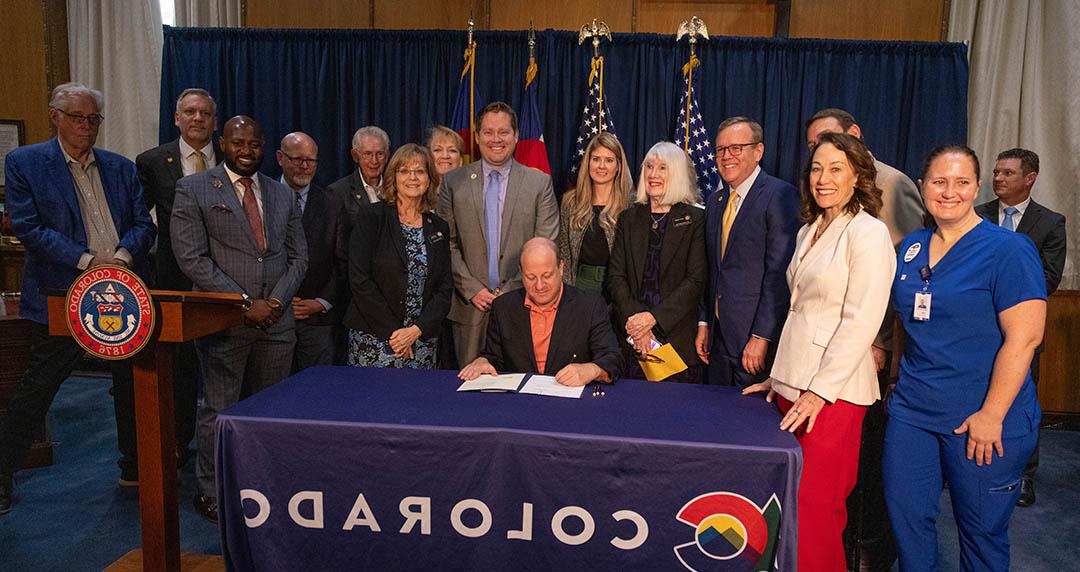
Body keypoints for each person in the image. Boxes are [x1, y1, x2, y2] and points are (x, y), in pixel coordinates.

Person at [883, 145, 1046, 572]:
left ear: (976, 187)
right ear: (922, 187)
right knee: (907, 523)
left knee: (980, 532)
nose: (949, 191)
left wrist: (991, 414)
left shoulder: (1009, 250)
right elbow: (904, 319)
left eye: (961, 182)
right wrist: (897, 375)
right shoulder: (912, 247)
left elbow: (1024, 339)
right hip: (914, 412)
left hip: (982, 418)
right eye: (939, 181)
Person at [742, 132, 895, 571]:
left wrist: (817, 391)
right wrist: (781, 375)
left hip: (834, 396)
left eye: (835, 169)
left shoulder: (868, 233)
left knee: (816, 511)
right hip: (794, 385)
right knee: (792, 508)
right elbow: (803, 312)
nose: (822, 178)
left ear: (857, 176)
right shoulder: (810, 228)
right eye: (816, 168)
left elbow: (859, 322)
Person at [0, 83, 155, 513]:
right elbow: (29, 228)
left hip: (123, 294)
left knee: (131, 383)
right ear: (55, 116)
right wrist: (88, 262)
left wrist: (121, 258)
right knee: (40, 385)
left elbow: (144, 224)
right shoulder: (24, 163)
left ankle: (134, 467)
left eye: (93, 119)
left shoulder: (121, 168)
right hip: (61, 294)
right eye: (77, 117)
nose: (86, 127)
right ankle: (1, 474)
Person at [171, 115, 308, 523]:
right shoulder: (193, 188)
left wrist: (276, 303)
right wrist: (246, 303)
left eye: (254, 144)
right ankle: (211, 492)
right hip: (224, 320)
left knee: (272, 411)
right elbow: (192, 259)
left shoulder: (281, 195)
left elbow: (300, 257)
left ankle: (266, 487)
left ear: (264, 147)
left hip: (277, 322)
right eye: (237, 143)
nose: (246, 151)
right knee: (219, 409)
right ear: (223, 143)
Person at [804, 107, 925, 569]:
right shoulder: (814, 220)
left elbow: (907, 274)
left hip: (862, 358)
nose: (823, 166)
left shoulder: (891, 186)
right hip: (816, 362)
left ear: (854, 139)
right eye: (815, 154)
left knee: (856, 475)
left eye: (833, 152)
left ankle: (866, 552)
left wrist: (882, 344)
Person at [135, 87, 222, 466]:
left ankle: (221, 443)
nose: (198, 119)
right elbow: (140, 220)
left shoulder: (232, 158)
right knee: (181, 368)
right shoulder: (153, 161)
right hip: (173, 279)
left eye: (204, 113)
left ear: (214, 121)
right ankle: (179, 442)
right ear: (176, 118)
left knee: (222, 362)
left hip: (223, 279)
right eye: (190, 112)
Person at [976, 147, 1066, 507]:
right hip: (977, 329)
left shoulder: (1050, 222)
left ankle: (1024, 476)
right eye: (996, 172)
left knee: (1021, 405)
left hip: (1021, 332)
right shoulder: (977, 215)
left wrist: (1001, 293)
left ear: (1030, 178)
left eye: (1008, 173)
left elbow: (1049, 278)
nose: (998, 178)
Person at [437, 101, 559, 365]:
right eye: (489, 132)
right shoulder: (453, 182)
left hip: (523, 305)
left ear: (516, 136)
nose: (496, 139)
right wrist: (472, 289)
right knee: (468, 393)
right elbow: (445, 243)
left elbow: (546, 244)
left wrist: (512, 290)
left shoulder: (539, 183)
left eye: (503, 132)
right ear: (477, 136)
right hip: (469, 309)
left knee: (520, 396)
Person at [696, 117, 801, 387]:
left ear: (758, 151)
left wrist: (761, 336)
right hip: (718, 342)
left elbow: (779, 275)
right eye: (720, 149)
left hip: (753, 343)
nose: (726, 156)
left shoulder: (780, 196)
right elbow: (713, 270)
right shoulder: (716, 201)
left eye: (736, 148)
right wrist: (705, 323)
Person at [343, 144, 452, 369]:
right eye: (404, 171)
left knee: (415, 403)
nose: (412, 177)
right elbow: (359, 280)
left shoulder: (438, 226)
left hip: (421, 340)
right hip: (375, 337)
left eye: (420, 171)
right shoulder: (372, 217)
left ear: (430, 178)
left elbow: (444, 288)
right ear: (393, 177)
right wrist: (396, 334)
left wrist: (416, 330)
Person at [459, 238, 621, 385]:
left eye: (547, 275)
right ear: (521, 273)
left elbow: (613, 358)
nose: (539, 286)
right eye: (530, 277)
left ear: (561, 267)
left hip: (570, 406)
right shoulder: (503, 307)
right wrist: (482, 361)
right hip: (519, 405)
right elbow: (493, 356)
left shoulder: (589, 306)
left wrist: (592, 369)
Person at [607, 141, 706, 383]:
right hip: (632, 341)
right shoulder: (629, 218)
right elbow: (615, 277)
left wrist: (653, 319)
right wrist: (638, 325)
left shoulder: (695, 218)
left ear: (677, 174)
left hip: (676, 340)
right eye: (649, 167)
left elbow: (696, 281)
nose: (653, 174)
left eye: (662, 168)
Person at [277, 132, 347, 370]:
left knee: (316, 396)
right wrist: (278, 301)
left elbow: (343, 263)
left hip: (317, 319)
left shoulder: (332, 202)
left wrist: (321, 302)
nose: (305, 166)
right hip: (270, 318)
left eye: (311, 161)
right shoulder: (260, 197)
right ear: (280, 158)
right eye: (297, 159)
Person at [557, 132, 632, 297]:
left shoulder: (631, 204)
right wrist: (568, 296)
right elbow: (564, 254)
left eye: (609, 160)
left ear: (619, 165)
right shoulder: (570, 202)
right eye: (596, 159)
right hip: (581, 287)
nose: (601, 166)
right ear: (588, 162)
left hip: (621, 289)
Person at [328, 125, 390, 221]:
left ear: (387, 156)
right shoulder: (337, 192)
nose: (374, 161)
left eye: (380, 154)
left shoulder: (395, 188)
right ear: (355, 156)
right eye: (367, 154)